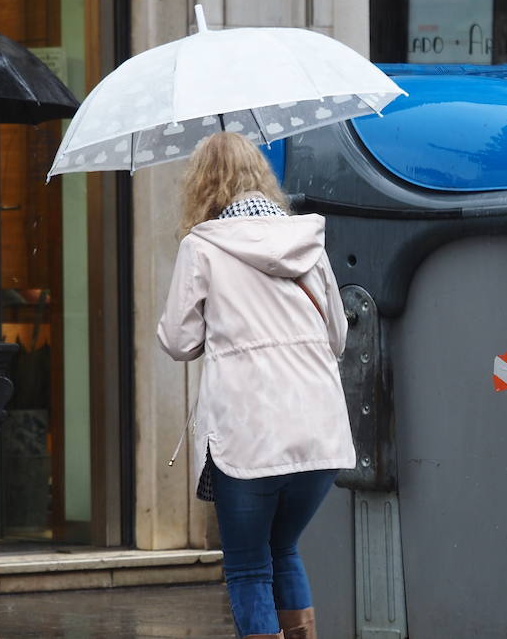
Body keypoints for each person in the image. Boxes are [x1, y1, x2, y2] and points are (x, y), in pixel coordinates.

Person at [157, 132, 355, 639]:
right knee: (283, 549)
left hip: (246, 438)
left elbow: (178, 341)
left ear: (201, 185)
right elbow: (338, 335)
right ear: (261, 180)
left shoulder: (201, 247)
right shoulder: (307, 241)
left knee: (248, 566)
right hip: (319, 435)